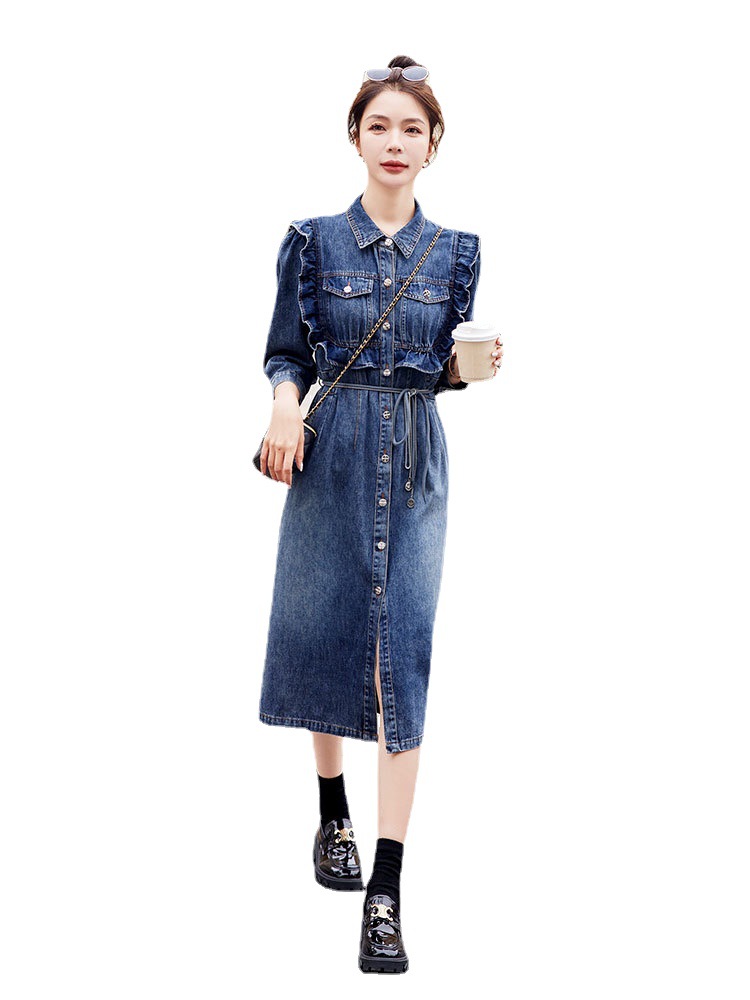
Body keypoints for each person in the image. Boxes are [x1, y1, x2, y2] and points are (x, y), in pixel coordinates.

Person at [257, 56, 502, 974]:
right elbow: (288, 351)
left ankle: (386, 891)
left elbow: (436, 369)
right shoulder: (312, 241)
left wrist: (467, 373)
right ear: (354, 137)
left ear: (434, 145)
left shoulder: (458, 253)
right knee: (324, 629)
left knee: (402, 656)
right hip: (330, 452)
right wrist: (286, 406)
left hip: (416, 463)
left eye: (411, 129)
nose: (394, 143)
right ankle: (332, 813)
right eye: (379, 126)